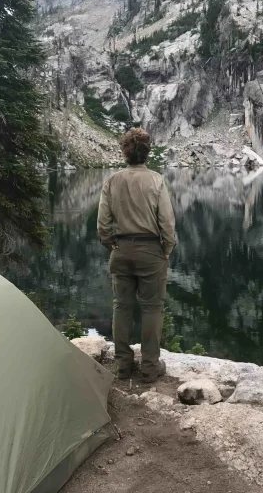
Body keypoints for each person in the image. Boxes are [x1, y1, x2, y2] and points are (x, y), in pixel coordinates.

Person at [97, 128, 176, 383]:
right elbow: (166, 221)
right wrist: (167, 247)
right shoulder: (156, 180)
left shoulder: (112, 180)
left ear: (125, 152)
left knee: (122, 307)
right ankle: (150, 367)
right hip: (151, 250)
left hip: (121, 251)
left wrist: (112, 245)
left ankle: (123, 365)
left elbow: (102, 223)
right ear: (147, 152)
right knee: (152, 308)